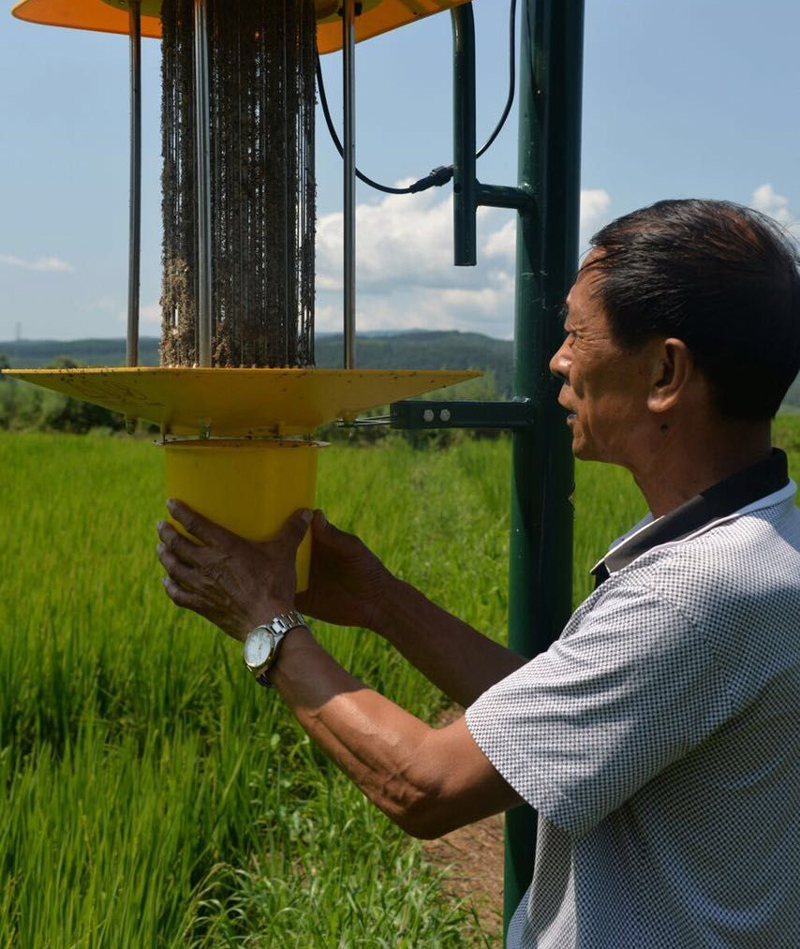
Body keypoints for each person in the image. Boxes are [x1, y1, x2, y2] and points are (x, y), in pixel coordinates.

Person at [157, 198, 800, 948]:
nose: (557, 359)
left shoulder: (694, 594)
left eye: (575, 334)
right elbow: (554, 720)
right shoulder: (757, 544)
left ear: (664, 371)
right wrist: (379, 598)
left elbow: (424, 785)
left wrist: (264, 623)